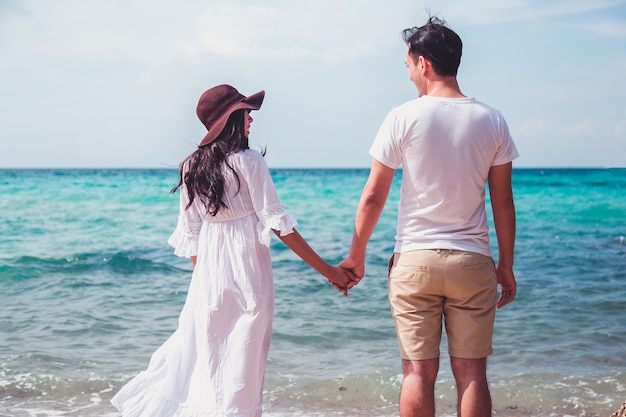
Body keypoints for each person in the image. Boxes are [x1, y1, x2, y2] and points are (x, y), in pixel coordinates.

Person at [111, 84, 353, 417]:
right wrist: (329, 271)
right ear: (231, 119)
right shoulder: (249, 162)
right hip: (248, 274)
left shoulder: (191, 167)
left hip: (207, 279)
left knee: (210, 365)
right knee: (244, 365)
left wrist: (204, 285)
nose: (251, 118)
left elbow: (192, 236)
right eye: (245, 112)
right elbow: (279, 225)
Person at [339, 16, 519, 417]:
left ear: (423, 63)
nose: (408, 75)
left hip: (415, 261)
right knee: (472, 373)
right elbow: (503, 201)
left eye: (407, 66)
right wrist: (505, 265)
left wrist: (356, 254)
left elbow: (373, 195)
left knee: (417, 372)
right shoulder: (492, 119)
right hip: (471, 260)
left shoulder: (402, 116)